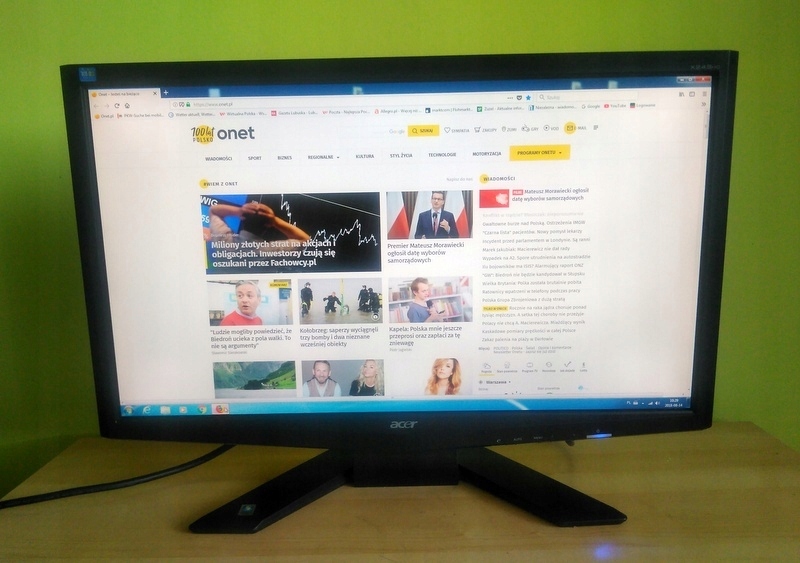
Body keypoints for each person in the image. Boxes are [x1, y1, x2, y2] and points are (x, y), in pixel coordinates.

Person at [209, 200, 310, 246]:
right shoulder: (270, 252)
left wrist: (239, 211)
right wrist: (274, 220)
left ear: (242, 219)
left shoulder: (224, 243)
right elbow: (305, 240)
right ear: (268, 225)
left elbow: (213, 210)